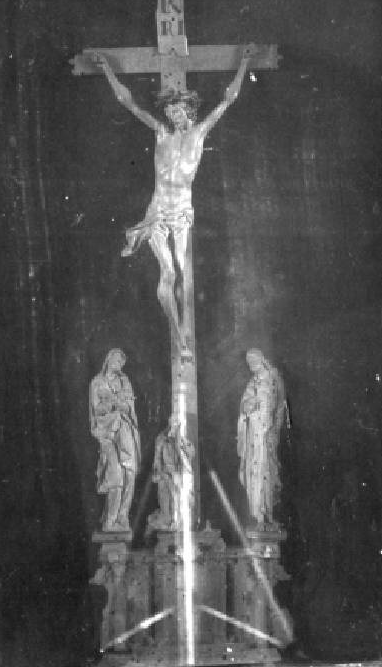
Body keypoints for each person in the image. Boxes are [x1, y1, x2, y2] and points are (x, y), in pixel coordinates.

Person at [94, 45, 256, 357]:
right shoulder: (160, 134)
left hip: (181, 212)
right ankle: (179, 337)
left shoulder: (199, 133)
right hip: (157, 211)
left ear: (188, 112)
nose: (173, 117)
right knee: (168, 273)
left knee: (183, 271)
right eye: (169, 114)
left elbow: (228, 99)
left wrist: (245, 62)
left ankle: (185, 331)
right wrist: (106, 70)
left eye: (178, 112)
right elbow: (129, 104)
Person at [89, 348, 141, 531]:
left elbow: (129, 407)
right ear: (109, 359)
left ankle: (122, 516)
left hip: (125, 429)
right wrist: (112, 403)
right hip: (107, 433)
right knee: (116, 476)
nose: (119, 364)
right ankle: (110, 520)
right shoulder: (97, 382)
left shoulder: (125, 382)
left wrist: (118, 403)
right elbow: (96, 410)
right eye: (117, 360)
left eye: (121, 362)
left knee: (129, 473)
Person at [237, 348, 288, 527]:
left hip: (268, 434)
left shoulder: (274, 379)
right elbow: (244, 406)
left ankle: (269, 514)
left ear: (260, 360)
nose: (251, 366)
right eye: (249, 363)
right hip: (254, 436)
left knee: (269, 472)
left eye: (253, 362)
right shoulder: (253, 383)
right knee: (256, 473)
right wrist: (249, 405)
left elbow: (280, 406)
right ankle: (259, 515)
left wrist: (275, 429)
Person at [147, 411, 195, 531]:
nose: (175, 424)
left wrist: (182, 442)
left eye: (177, 422)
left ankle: (178, 522)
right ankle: (166, 521)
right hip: (166, 475)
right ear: (170, 422)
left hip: (180, 476)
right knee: (166, 502)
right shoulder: (162, 439)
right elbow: (157, 459)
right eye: (173, 422)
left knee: (180, 501)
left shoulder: (182, 439)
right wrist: (159, 473)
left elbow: (191, 454)